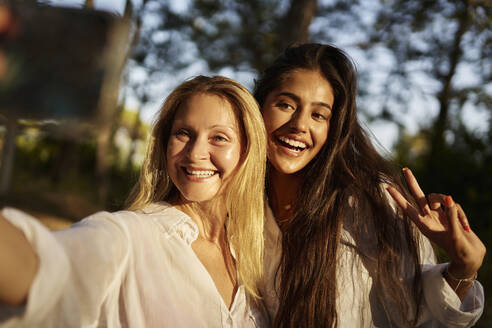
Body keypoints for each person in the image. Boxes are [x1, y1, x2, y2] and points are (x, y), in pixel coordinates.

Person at [0, 75, 269, 327]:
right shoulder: (130, 236)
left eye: (219, 138)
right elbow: (44, 267)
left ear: (248, 150)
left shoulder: (256, 256)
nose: (196, 152)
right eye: (183, 133)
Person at [253, 43, 486, 327]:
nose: (300, 125)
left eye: (318, 115)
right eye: (286, 104)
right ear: (259, 107)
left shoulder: (371, 201)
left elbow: (420, 316)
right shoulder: (236, 205)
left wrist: (464, 268)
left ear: (333, 127)